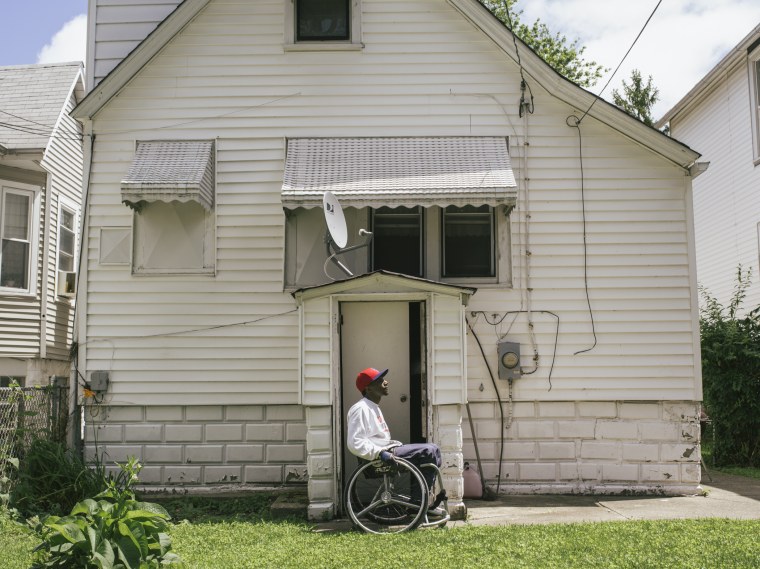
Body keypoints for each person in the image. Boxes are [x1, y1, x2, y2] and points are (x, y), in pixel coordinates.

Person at [346, 367, 445, 513]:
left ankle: (421, 502)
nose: (386, 382)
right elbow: (355, 442)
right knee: (428, 451)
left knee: (434, 449)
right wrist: (379, 453)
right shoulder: (360, 409)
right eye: (379, 380)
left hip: (387, 450)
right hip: (380, 457)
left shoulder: (373, 407)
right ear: (368, 388)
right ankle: (418, 505)